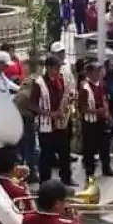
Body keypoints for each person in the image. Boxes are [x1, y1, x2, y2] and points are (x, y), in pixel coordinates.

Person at [31, 56, 74, 185]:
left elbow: (64, 96)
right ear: (49, 68)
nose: (59, 70)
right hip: (46, 124)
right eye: (57, 68)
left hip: (60, 123)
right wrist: (50, 114)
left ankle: (66, 178)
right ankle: (45, 183)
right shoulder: (39, 83)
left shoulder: (60, 80)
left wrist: (67, 104)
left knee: (65, 151)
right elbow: (32, 105)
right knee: (46, 155)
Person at [78, 61, 113, 179]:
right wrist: (96, 111)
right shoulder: (84, 87)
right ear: (89, 73)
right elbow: (82, 108)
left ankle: (107, 167)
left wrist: (108, 114)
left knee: (105, 145)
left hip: (101, 120)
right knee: (90, 147)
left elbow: (104, 99)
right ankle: (89, 172)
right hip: (90, 121)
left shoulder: (101, 84)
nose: (99, 74)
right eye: (96, 71)